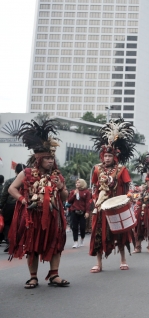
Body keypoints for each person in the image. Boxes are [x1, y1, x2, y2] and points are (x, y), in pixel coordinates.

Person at [8, 120, 69, 288]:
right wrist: (23, 200)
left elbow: (64, 196)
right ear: (39, 159)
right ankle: (33, 277)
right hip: (32, 216)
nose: (50, 161)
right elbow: (12, 189)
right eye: (47, 158)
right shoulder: (26, 173)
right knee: (32, 246)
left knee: (56, 244)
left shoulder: (57, 175)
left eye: (52, 158)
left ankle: (54, 275)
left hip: (54, 216)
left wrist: (61, 187)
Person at [89, 119, 136, 273]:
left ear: (114, 157)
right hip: (101, 207)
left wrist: (129, 197)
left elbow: (129, 186)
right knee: (98, 235)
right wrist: (95, 201)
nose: (107, 158)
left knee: (121, 234)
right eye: (105, 156)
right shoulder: (96, 169)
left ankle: (123, 260)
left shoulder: (122, 169)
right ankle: (99, 263)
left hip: (117, 207)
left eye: (109, 156)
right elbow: (94, 186)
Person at [0, 163, 24, 253]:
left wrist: (1, 206)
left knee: (7, 224)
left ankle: (10, 241)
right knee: (20, 224)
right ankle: (18, 242)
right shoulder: (27, 181)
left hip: (10, 206)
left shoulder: (9, 181)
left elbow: (4, 195)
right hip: (22, 204)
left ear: (15, 171)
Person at [67, 179, 91, 248]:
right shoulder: (72, 192)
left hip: (82, 212)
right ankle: (75, 242)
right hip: (74, 211)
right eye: (76, 183)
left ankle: (82, 239)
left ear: (82, 183)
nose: (77, 184)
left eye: (79, 182)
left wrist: (87, 212)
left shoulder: (86, 192)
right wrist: (74, 194)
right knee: (74, 227)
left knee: (83, 227)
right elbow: (69, 201)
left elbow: (87, 203)